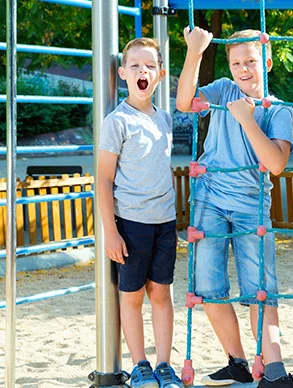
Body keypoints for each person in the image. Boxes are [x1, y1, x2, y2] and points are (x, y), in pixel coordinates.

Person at [176, 27, 293, 388]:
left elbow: (276, 163)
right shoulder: (223, 91)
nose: (244, 68)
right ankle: (236, 360)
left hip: (251, 207)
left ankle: (274, 369)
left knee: (260, 288)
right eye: (236, 62)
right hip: (209, 199)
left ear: (269, 63)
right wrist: (195, 52)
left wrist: (247, 119)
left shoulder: (277, 110)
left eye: (251, 61)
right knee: (208, 286)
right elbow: (185, 103)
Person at [97, 38, 183, 388]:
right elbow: (103, 179)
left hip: (164, 222)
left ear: (160, 74)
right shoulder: (118, 121)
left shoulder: (164, 119)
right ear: (122, 73)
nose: (142, 71)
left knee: (161, 294)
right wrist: (110, 231)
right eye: (134, 65)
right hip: (130, 223)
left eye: (149, 66)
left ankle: (164, 365)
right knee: (131, 297)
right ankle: (140, 366)